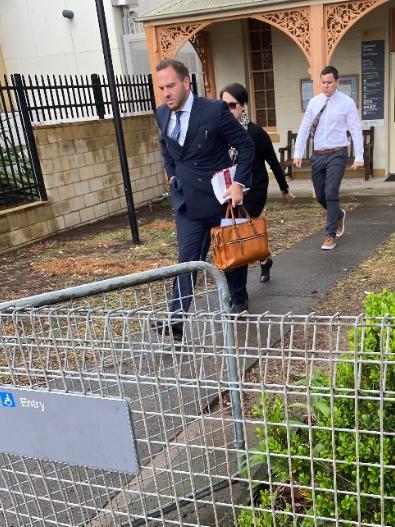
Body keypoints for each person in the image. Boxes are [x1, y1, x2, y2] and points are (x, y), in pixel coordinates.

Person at [155, 59, 255, 333]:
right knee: (187, 260)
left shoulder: (213, 110)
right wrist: (172, 174)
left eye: (171, 86)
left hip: (218, 199)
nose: (166, 92)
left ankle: (238, 298)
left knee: (229, 255)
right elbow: (166, 146)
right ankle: (176, 319)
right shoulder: (162, 114)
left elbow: (246, 146)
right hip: (186, 202)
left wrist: (238, 183)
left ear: (186, 83)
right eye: (162, 87)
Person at [219, 83, 294, 308]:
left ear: (243, 106)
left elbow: (273, 161)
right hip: (229, 191)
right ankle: (263, 259)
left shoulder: (254, 132)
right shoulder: (220, 132)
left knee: (237, 233)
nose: (228, 109)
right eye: (224, 105)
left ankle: (238, 295)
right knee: (239, 234)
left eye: (232, 105)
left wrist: (284, 188)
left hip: (254, 190)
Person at [293, 65, 364, 250]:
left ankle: (330, 235)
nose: (326, 86)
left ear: (337, 82)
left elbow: (356, 128)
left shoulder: (346, 102)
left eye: (329, 83)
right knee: (320, 196)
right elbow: (304, 127)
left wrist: (359, 155)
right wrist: (298, 152)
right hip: (317, 155)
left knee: (331, 193)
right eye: (323, 83)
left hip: (337, 153)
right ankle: (338, 215)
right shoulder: (314, 102)